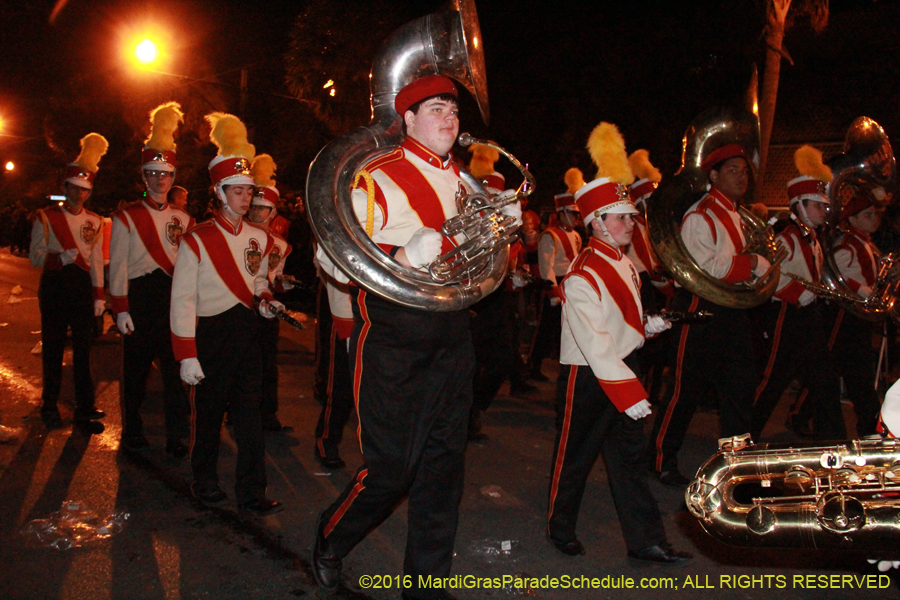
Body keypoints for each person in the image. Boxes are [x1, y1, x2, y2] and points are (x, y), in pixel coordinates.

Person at [312, 75, 519, 600]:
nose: (450, 118)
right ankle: (331, 541)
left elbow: (481, 271)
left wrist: (501, 232)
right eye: (435, 108)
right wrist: (399, 255)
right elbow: (329, 256)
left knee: (443, 471)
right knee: (391, 471)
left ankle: (426, 587)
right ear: (407, 118)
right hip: (394, 338)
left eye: (453, 109)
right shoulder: (375, 175)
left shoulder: (467, 184)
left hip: (452, 336)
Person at [547, 122, 689, 564]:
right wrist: (630, 393)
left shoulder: (621, 261)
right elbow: (595, 344)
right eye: (621, 217)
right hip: (591, 377)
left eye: (630, 215)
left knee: (628, 463)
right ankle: (559, 527)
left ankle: (646, 540)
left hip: (620, 369)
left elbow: (618, 322)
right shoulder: (582, 273)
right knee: (575, 459)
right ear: (597, 222)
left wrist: (650, 326)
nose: (631, 222)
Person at [170, 112, 284, 516]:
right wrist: (186, 354)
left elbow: (255, 282)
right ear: (219, 192)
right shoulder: (197, 239)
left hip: (247, 333)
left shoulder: (260, 238)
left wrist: (267, 300)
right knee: (209, 414)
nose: (244, 197)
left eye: (247, 190)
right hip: (212, 335)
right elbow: (182, 299)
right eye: (236, 190)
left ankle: (252, 492)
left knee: (250, 418)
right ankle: (204, 480)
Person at [647, 143, 771, 486]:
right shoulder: (701, 216)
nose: (742, 176)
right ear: (713, 176)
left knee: (740, 390)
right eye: (733, 170)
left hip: (733, 313)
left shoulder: (736, 214)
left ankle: (735, 464)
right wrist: (755, 264)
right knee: (684, 390)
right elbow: (709, 268)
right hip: (699, 309)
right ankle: (660, 458)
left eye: (745, 171)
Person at [110, 102, 193, 457]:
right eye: (153, 174)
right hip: (141, 297)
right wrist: (120, 308)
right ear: (144, 177)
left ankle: (177, 436)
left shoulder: (184, 218)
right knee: (136, 373)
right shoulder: (127, 216)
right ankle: (132, 431)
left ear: (174, 177)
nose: (160, 179)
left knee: (176, 371)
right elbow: (118, 267)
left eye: (166, 174)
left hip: (173, 297)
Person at [751, 146, 844, 440]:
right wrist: (796, 293)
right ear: (800, 205)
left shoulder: (813, 238)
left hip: (808, 316)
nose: (824, 210)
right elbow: (770, 275)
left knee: (825, 379)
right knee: (771, 381)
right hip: (786, 315)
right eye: (819, 205)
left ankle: (834, 438)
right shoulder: (785, 237)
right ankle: (742, 435)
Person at [30, 133, 108, 430]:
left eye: (84, 190)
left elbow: (97, 261)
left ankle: (85, 406)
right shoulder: (47, 217)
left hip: (81, 290)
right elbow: (35, 257)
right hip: (54, 286)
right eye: (74, 189)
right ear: (66, 188)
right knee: (52, 348)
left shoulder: (96, 221)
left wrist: (99, 296)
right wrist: (59, 257)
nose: (79, 195)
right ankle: (49, 404)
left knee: (84, 350)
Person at [245, 154, 294, 432]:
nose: (256, 212)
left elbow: (273, 279)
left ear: (273, 212)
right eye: (254, 206)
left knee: (267, 363)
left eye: (262, 208)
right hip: (240, 305)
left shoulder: (280, 245)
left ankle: (268, 413)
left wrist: (283, 283)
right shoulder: (237, 237)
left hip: (267, 310)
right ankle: (238, 412)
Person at [529, 171, 583, 381]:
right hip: (554, 285)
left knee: (568, 329)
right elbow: (546, 266)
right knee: (545, 328)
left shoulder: (577, 236)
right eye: (573, 213)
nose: (576, 218)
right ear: (561, 212)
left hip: (570, 284)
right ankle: (533, 365)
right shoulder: (550, 235)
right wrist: (553, 291)